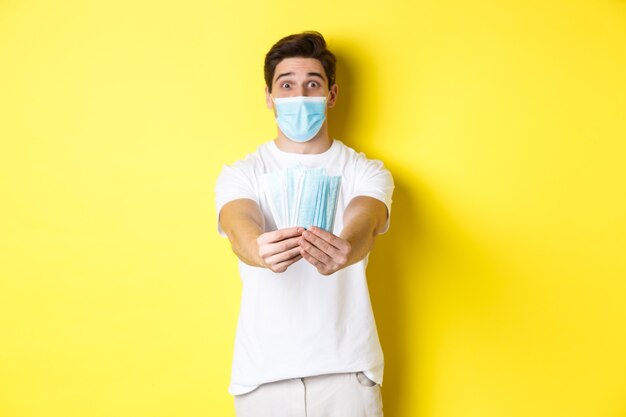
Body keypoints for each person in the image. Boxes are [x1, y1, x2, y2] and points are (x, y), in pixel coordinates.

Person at [215, 31, 394, 417]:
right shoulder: (242, 173)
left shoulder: (365, 171)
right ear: (269, 96)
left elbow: (366, 217)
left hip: (346, 373)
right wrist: (258, 249)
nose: (299, 97)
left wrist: (346, 246)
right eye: (287, 85)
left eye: (312, 84)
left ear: (331, 95)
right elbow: (237, 222)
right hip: (263, 375)